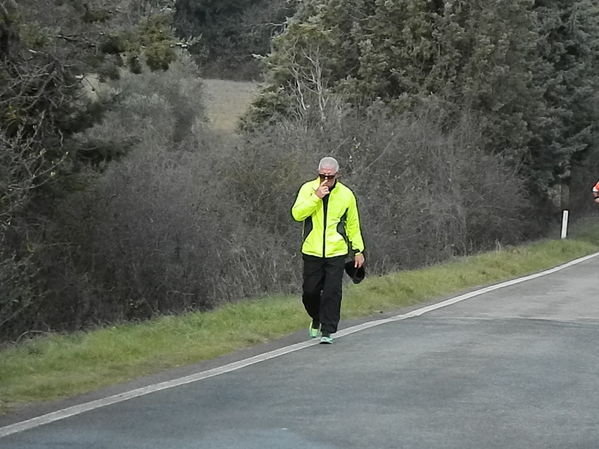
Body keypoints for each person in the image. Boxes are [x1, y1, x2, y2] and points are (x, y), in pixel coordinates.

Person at [291, 156, 365, 344]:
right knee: (310, 293)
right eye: (322, 175)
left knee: (332, 292)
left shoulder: (346, 194)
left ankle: (328, 330)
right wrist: (316, 198)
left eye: (329, 176)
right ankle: (317, 318)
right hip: (312, 250)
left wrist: (358, 250)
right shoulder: (307, 189)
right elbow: (297, 214)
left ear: (337, 175)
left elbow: (353, 225)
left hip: (336, 251)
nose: (325, 180)